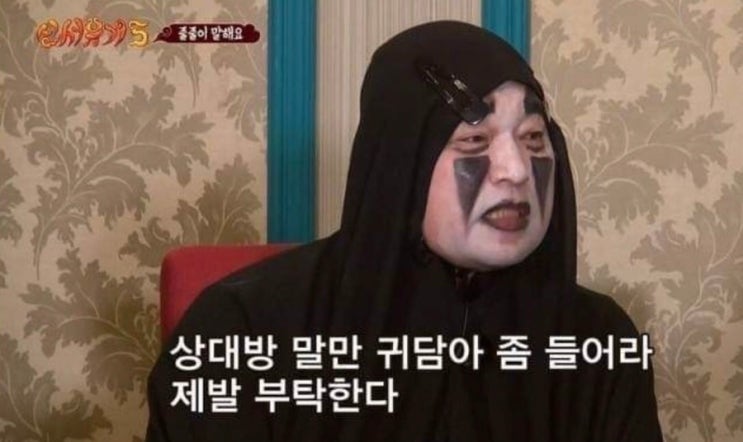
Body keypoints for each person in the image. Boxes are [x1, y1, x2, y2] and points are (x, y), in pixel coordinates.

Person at [145, 21, 663, 441]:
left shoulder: (598, 341)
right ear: (401, 164)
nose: (517, 170)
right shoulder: (240, 331)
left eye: (533, 138)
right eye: (474, 141)